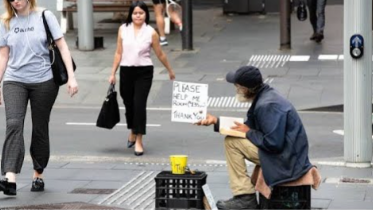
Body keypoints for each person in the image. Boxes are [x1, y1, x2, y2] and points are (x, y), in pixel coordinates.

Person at [195, 66, 312, 209]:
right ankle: (244, 196)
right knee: (233, 139)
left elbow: (273, 143)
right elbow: (244, 127)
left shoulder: (267, 105)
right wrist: (215, 121)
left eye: (237, 86)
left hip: (286, 159)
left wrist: (248, 132)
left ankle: (245, 197)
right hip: (285, 153)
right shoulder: (263, 96)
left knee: (232, 143)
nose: (236, 89)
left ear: (245, 88)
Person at [0, 0, 78, 196]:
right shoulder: (5, 21)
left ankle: (38, 173)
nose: (16, 1)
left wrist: (72, 77)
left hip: (44, 80)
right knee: (14, 124)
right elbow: (3, 55)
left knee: (40, 126)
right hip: (14, 79)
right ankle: (10, 179)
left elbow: (62, 46)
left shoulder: (45, 16)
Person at [108, 1, 175, 156]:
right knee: (129, 104)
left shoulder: (151, 32)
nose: (138, 16)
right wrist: (112, 73)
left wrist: (170, 70)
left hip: (144, 72)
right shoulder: (123, 30)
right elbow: (118, 53)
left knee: (139, 105)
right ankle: (132, 130)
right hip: (126, 71)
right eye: (135, 13)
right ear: (131, 15)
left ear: (146, 14)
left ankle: (139, 139)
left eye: (141, 13)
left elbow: (160, 54)